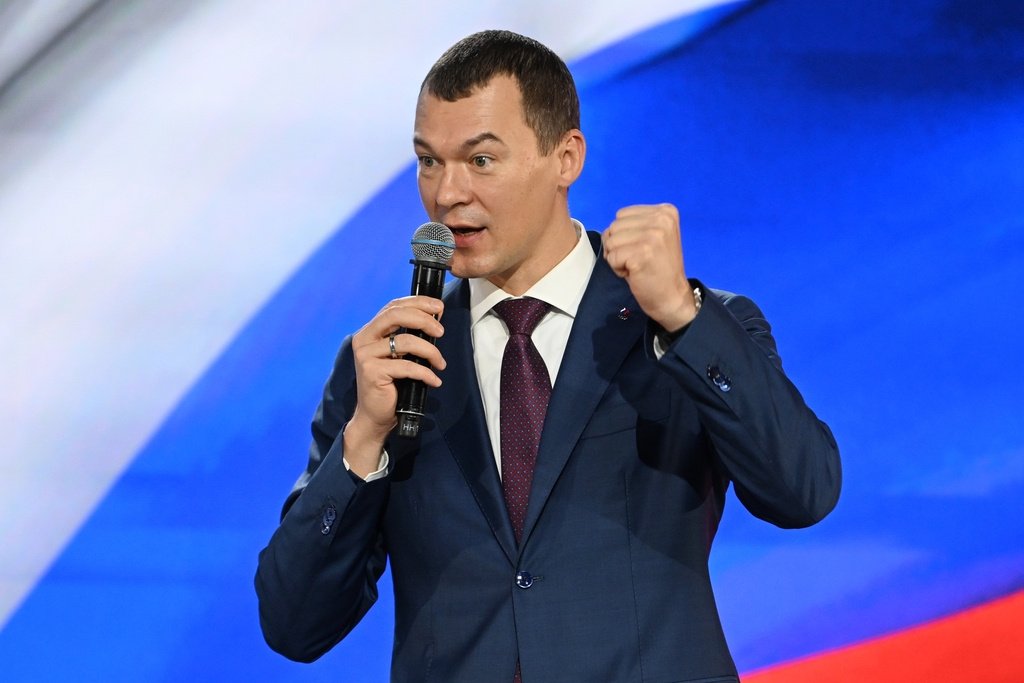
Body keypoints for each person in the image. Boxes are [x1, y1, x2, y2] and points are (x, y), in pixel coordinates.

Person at [255, 29, 841, 682]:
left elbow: (804, 492)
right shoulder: (389, 367)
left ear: (565, 158)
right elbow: (294, 623)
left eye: (480, 160)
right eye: (428, 161)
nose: (446, 193)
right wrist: (365, 438)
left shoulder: (686, 327)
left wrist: (683, 317)